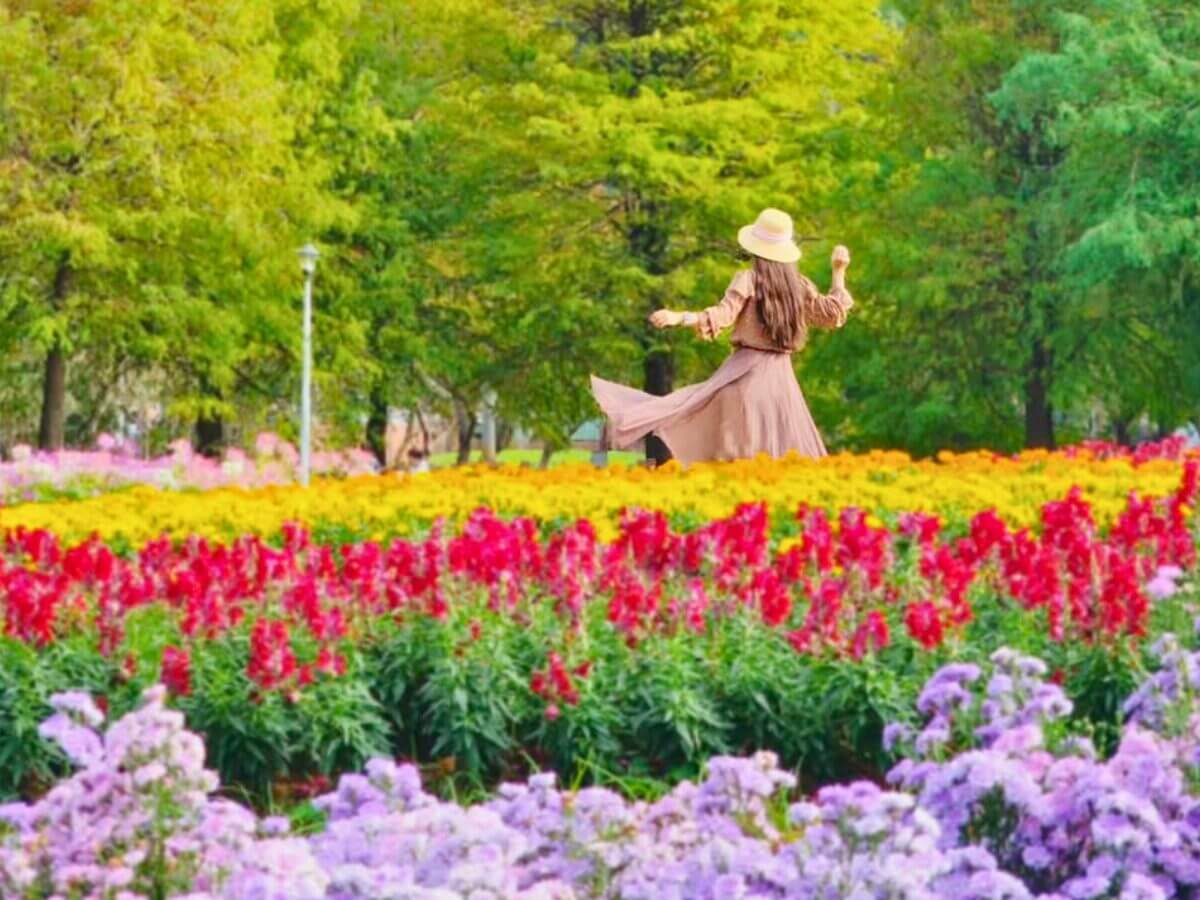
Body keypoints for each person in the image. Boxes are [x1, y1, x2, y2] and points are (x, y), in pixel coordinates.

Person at [590, 208, 853, 465]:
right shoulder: (799, 287)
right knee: (783, 463)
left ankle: (610, 436)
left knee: (684, 411)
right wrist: (838, 271)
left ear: (756, 249)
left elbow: (721, 315)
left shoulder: (749, 280)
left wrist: (680, 317)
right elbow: (833, 314)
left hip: (743, 380)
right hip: (782, 388)